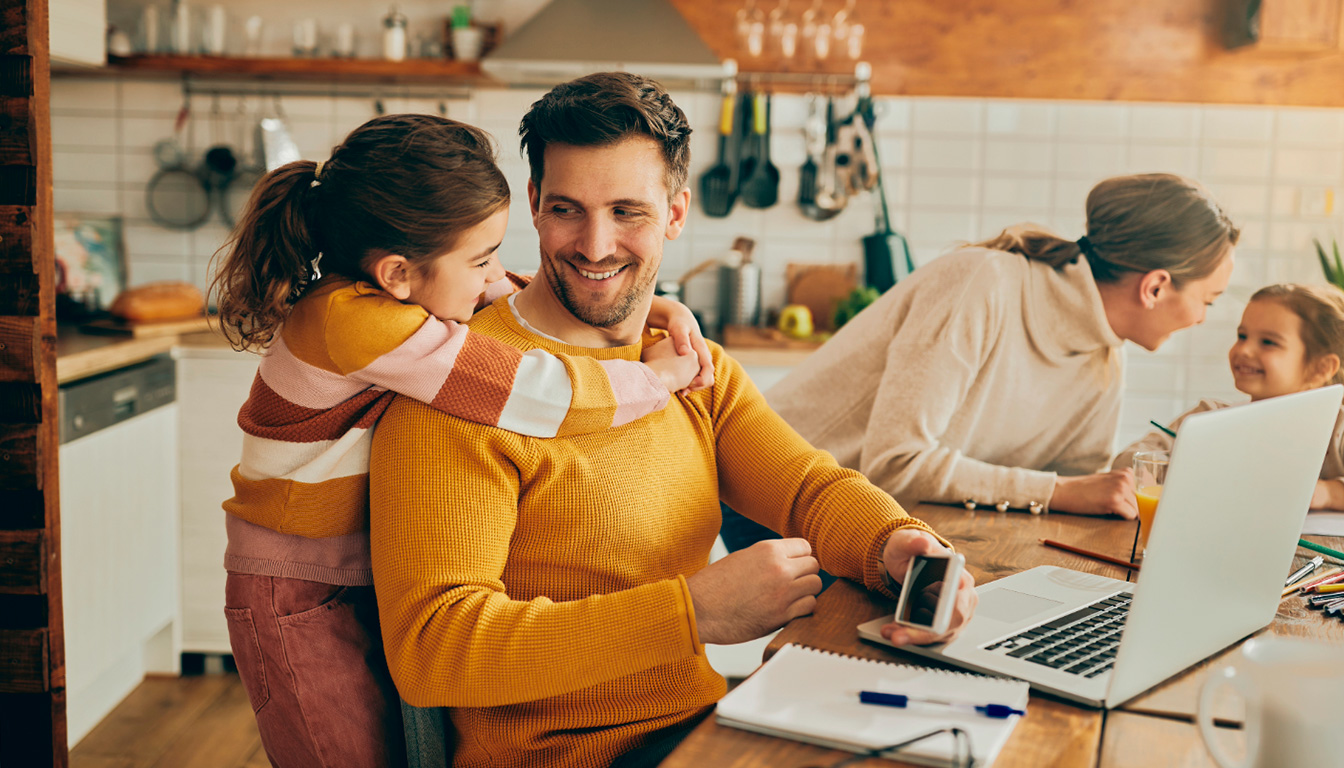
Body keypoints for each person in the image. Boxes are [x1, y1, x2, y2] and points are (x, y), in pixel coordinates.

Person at [367, 72, 978, 768]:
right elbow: (434, 652)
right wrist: (692, 612)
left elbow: (808, 488)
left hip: (702, 731)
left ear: (676, 212)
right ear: (533, 204)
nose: (595, 245)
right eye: (567, 209)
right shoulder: (464, 389)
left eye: (627, 211)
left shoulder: (687, 365)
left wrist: (898, 544)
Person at [211, 113, 712, 768]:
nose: (491, 274)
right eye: (481, 259)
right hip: (293, 592)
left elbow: (508, 296)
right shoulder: (356, 322)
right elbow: (531, 392)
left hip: (344, 571)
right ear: (398, 273)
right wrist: (654, 379)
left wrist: (648, 306)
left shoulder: (392, 291)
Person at [728, 173, 1238, 554]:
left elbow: (1076, 487)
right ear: (1155, 287)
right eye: (1208, 301)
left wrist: (1171, 445)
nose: (1202, 319)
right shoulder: (983, 283)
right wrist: (1061, 490)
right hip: (780, 492)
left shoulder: (1105, 351)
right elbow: (897, 463)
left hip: (889, 511)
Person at [1113, 282, 1344, 509]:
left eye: (1268, 342)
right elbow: (1129, 462)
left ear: (1321, 368)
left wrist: (1326, 494)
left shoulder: (1339, 431)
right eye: (1242, 336)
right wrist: (1177, 473)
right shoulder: (1208, 418)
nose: (1243, 350)